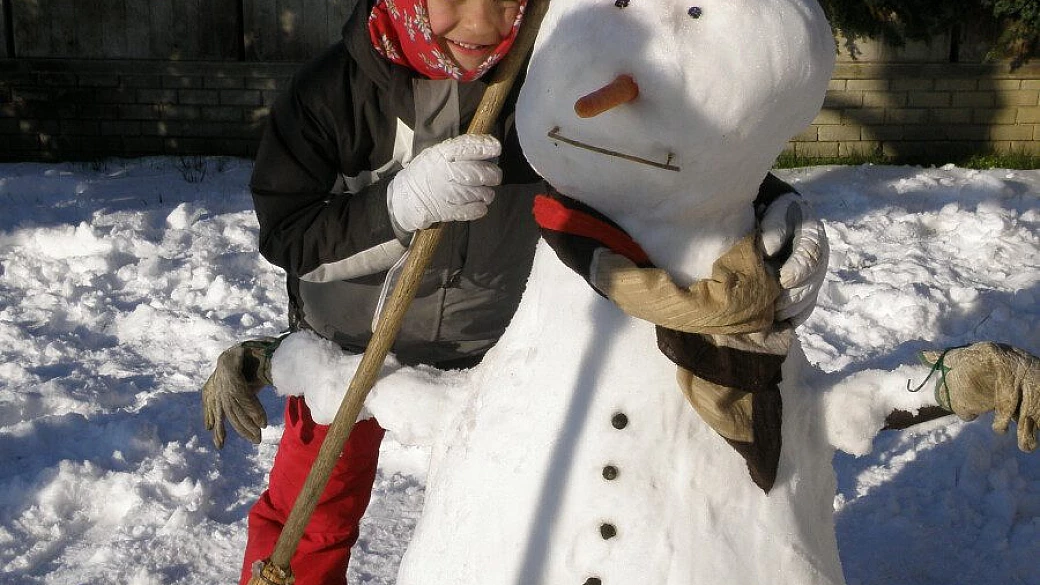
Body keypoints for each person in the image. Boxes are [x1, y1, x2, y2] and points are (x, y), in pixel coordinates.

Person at [200, 0, 830, 583]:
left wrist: (773, 207)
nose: (482, 25)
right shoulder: (329, 95)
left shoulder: (536, 81)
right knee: (312, 511)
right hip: (348, 347)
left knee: (502, 504)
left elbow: (645, 163)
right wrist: (396, 206)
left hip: (495, 350)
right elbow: (289, 234)